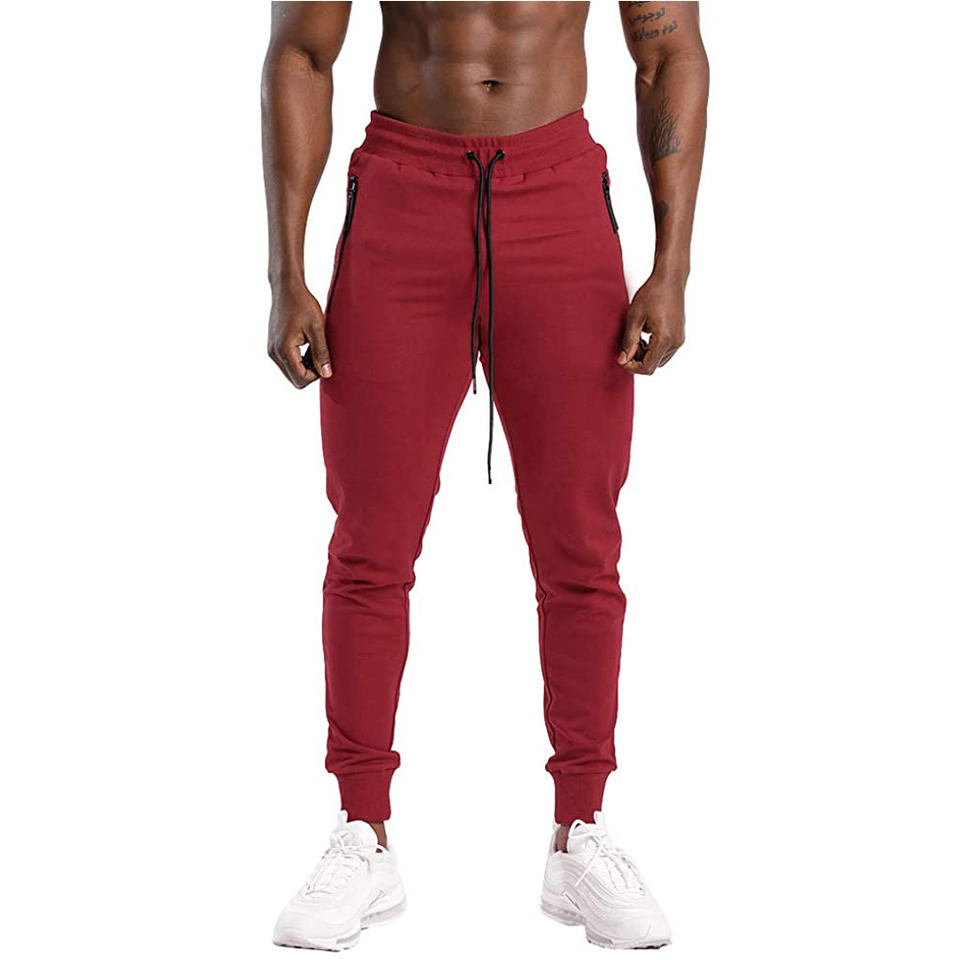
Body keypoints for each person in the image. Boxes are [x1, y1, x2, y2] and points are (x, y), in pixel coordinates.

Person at [261, 1, 707, 950]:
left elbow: (668, 53)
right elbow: (301, 53)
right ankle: (362, 832)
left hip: (558, 198)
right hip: (401, 199)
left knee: (581, 548)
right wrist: (285, 275)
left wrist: (671, 268)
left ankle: (580, 829)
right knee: (370, 545)